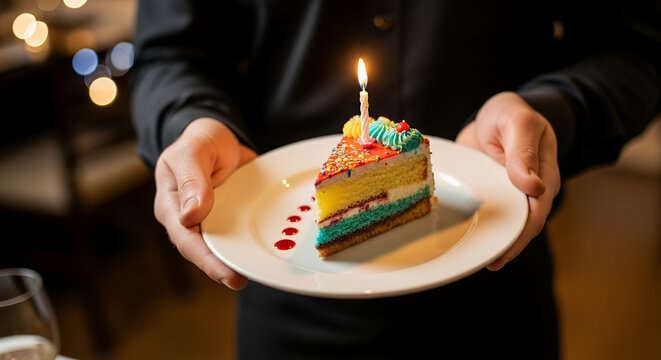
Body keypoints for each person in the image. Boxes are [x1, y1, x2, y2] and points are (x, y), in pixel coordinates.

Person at [131, 1, 661, 358]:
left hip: (496, 302)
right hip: (288, 307)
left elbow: (633, 48)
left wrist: (554, 110)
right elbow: (172, 54)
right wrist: (189, 120)